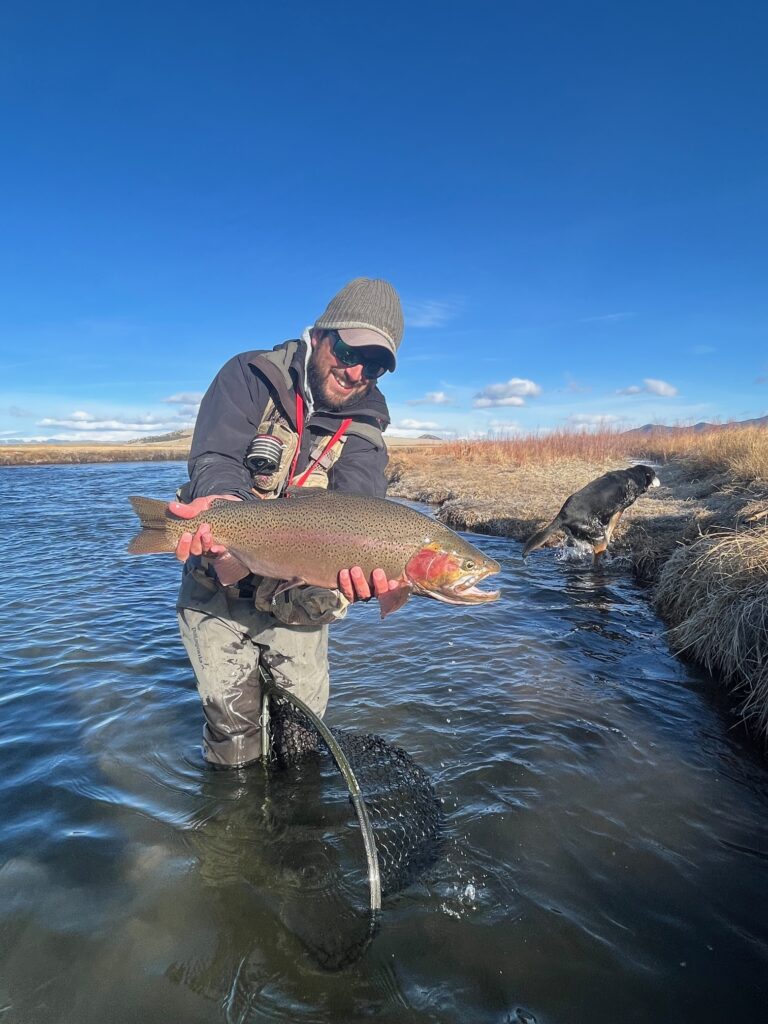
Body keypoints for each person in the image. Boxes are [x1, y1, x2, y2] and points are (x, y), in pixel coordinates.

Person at [170, 278, 404, 768]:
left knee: (300, 745)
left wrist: (366, 568)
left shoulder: (366, 431)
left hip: (302, 603)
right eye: (347, 348)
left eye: (376, 364)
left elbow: (359, 504)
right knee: (232, 742)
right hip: (218, 589)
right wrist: (220, 503)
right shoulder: (250, 375)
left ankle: (297, 839)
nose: (357, 370)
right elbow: (215, 455)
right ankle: (233, 839)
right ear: (319, 335)